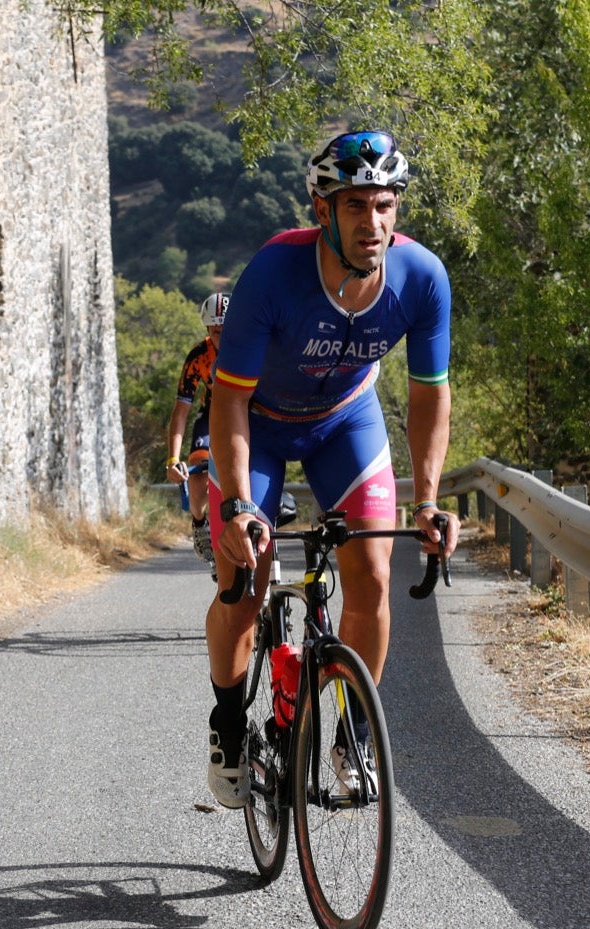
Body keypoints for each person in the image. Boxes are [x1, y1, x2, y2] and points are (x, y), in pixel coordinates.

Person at [201, 130, 460, 808]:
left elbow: (431, 394)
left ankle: (352, 737)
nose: (372, 223)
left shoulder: (422, 278)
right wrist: (235, 507)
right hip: (256, 424)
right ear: (323, 210)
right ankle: (229, 723)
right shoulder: (274, 274)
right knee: (243, 581)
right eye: (354, 207)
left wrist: (428, 501)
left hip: (344, 423)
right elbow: (227, 397)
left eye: (384, 205)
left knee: (372, 573)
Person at [164, 292, 230, 572]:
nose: (222, 337)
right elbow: (181, 410)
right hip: (213, 416)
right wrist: (172, 459)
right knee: (198, 471)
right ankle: (199, 522)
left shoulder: (253, 345)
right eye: (216, 332)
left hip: (252, 415)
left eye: (228, 330)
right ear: (207, 330)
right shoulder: (198, 357)